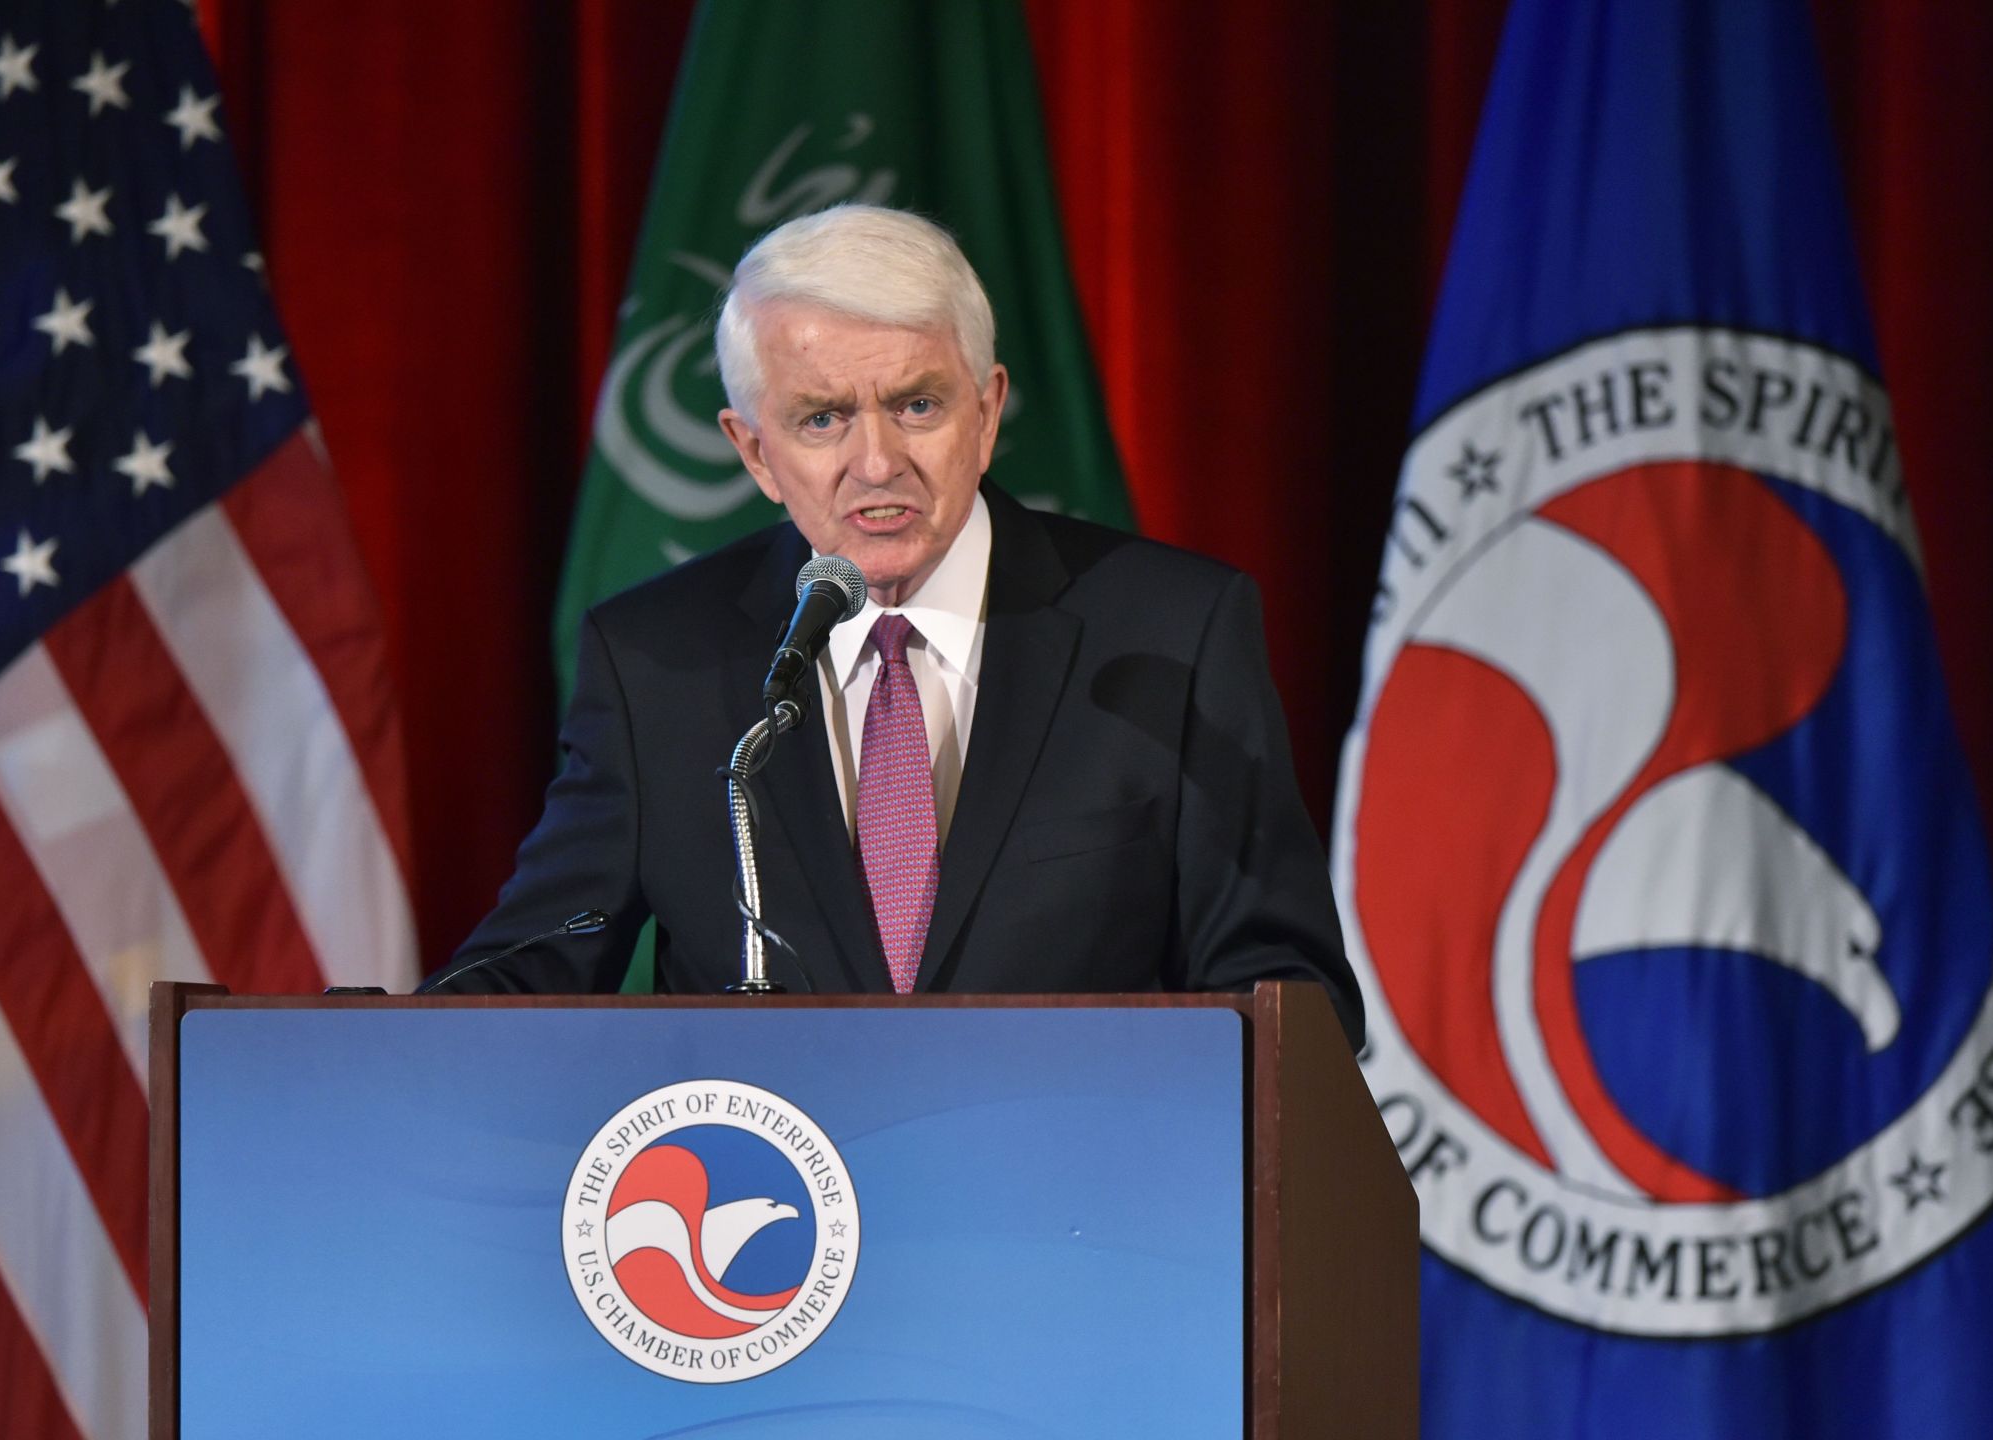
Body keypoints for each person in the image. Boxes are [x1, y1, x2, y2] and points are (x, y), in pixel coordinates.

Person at [427, 204, 1360, 1046]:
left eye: (917, 405)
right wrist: (354, 1060)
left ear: (987, 412)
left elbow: (1286, 988)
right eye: (823, 419)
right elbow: (542, 956)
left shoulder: (1170, 632)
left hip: (1073, 1215)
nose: (877, 463)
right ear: (754, 451)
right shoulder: (656, 664)